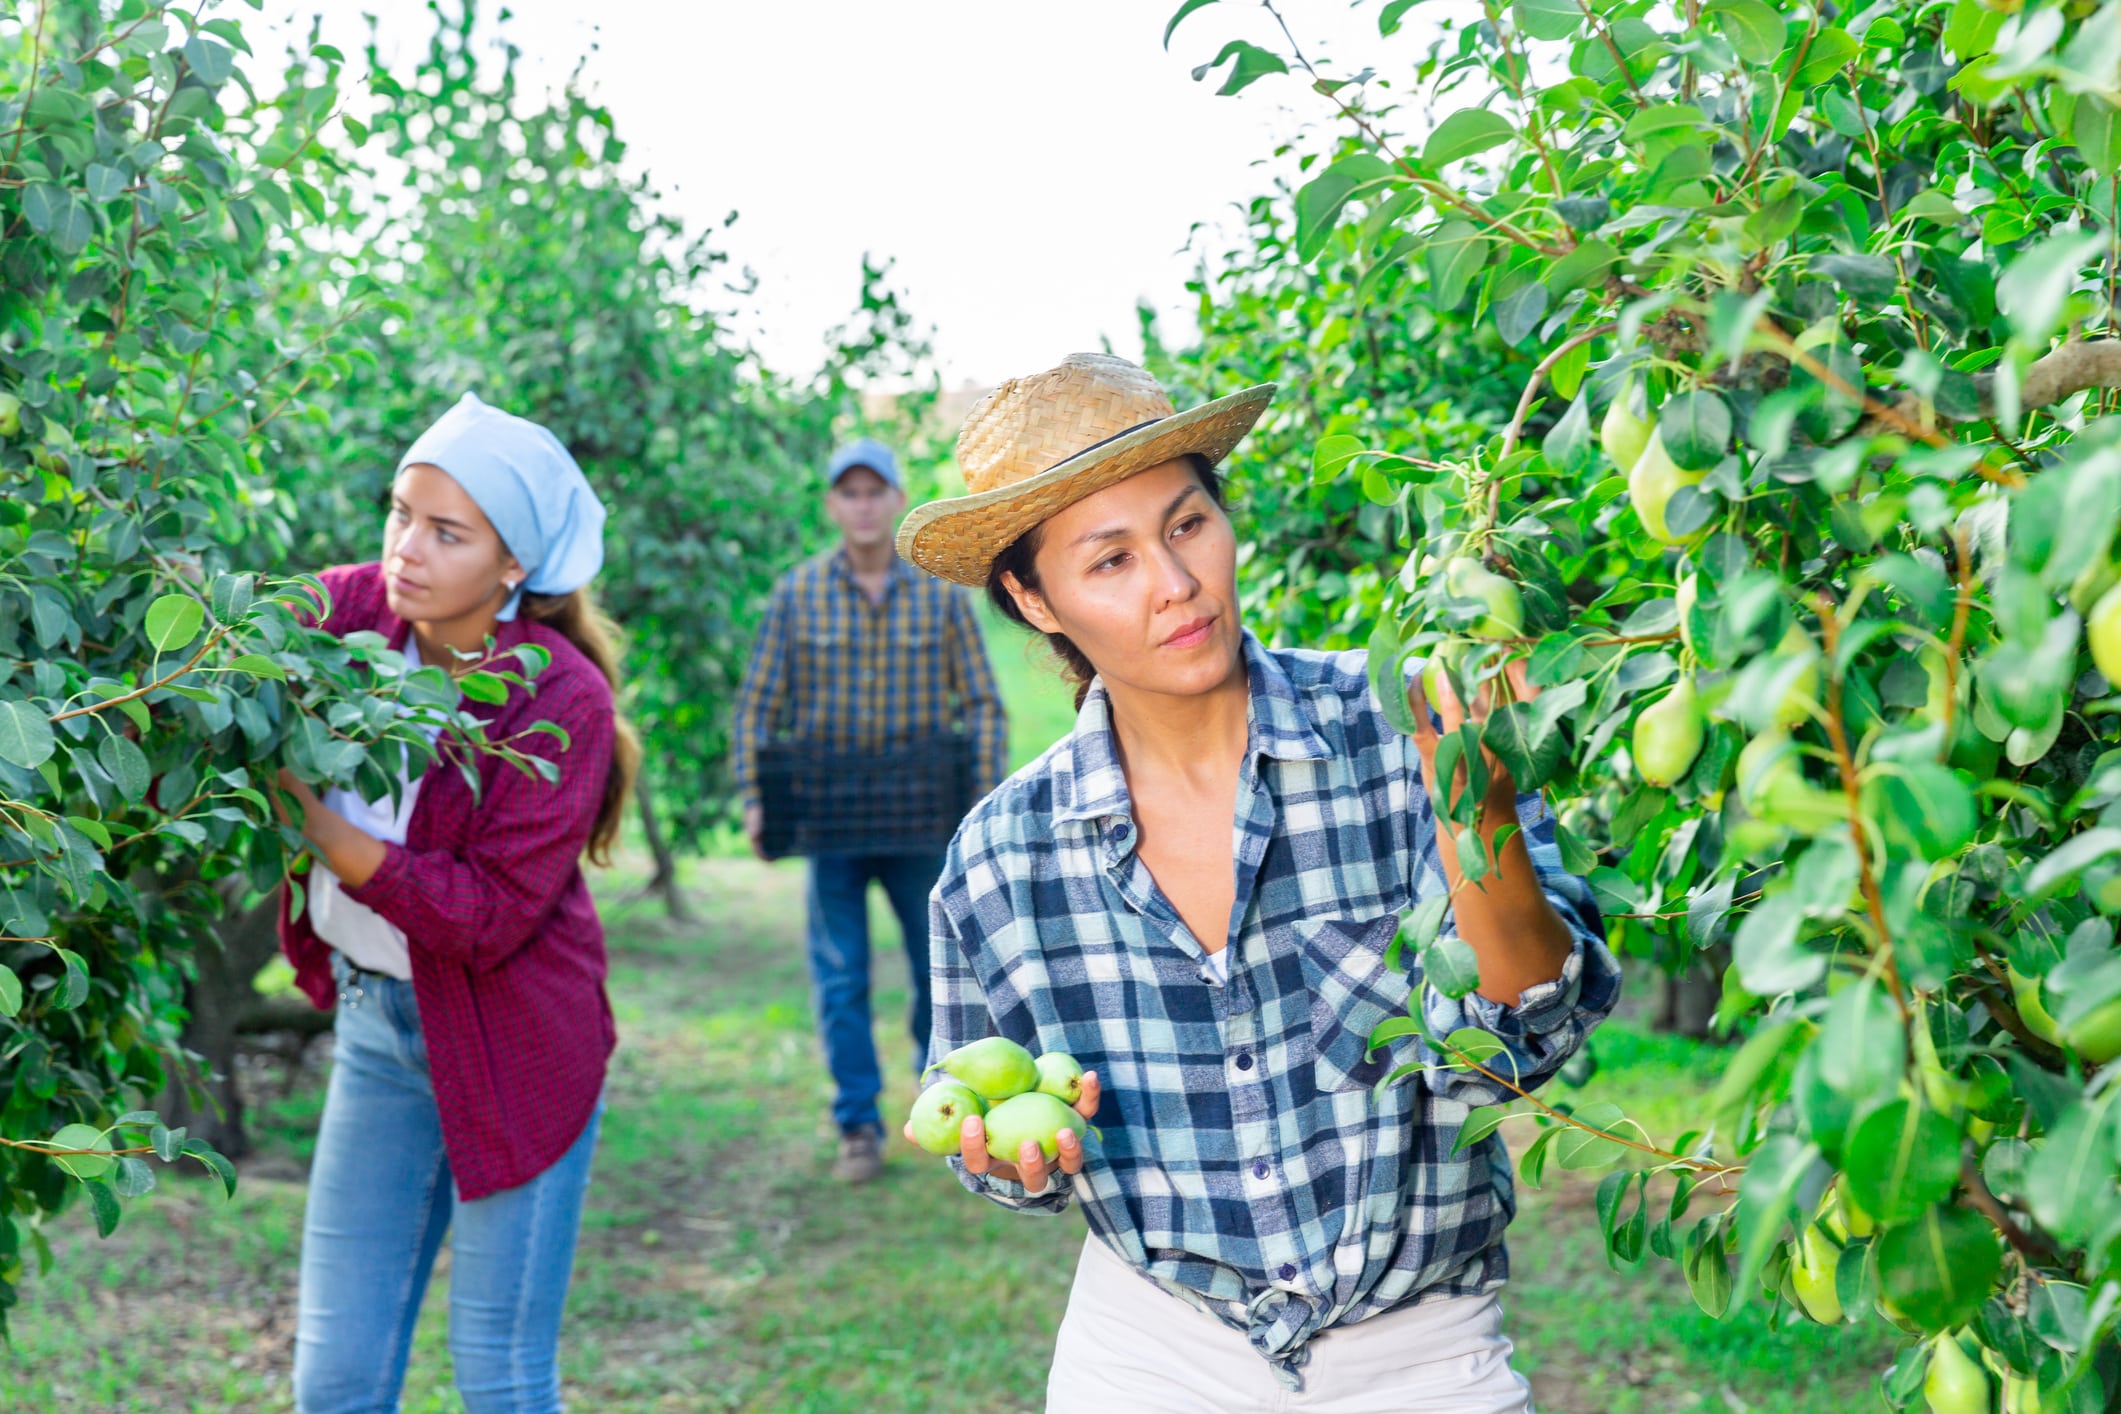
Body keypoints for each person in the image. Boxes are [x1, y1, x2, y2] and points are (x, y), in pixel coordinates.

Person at [895, 354, 1620, 1411]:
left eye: (1188, 526)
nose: (1175, 584)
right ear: (1032, 597)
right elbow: (985, 1121)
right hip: (1151, 1354)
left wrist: (1479, 814)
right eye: (1111, 561)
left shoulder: (1401, 732)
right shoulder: (1003, 861)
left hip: (1420, 1351)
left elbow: (1519, 1049)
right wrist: (1014, 1159)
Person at [274, 392, 636, 1414]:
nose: (407, 549)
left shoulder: (559, 698)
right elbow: (238, 638)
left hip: (516, 1042)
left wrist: (324, 828)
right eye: (399, 513)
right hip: (379, 1031)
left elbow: (485, 916)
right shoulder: (358, 616)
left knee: (502, 1378)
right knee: (335, 1379)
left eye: (446, 531)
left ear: (513, 562)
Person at [732, 437, 1007, 1183]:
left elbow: (982, 703)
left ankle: (941, 1105)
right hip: (830, 816)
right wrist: (758, 798)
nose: (861, 505)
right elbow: (758, 706)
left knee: (936, 969)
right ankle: (857, 1123)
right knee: (841, 975)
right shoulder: (797, 594)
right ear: (833, 505)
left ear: (894, 500)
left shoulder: (940, 596)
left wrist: (982, 803)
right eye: (847, 493)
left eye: (873, 492)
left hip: (922, 814)